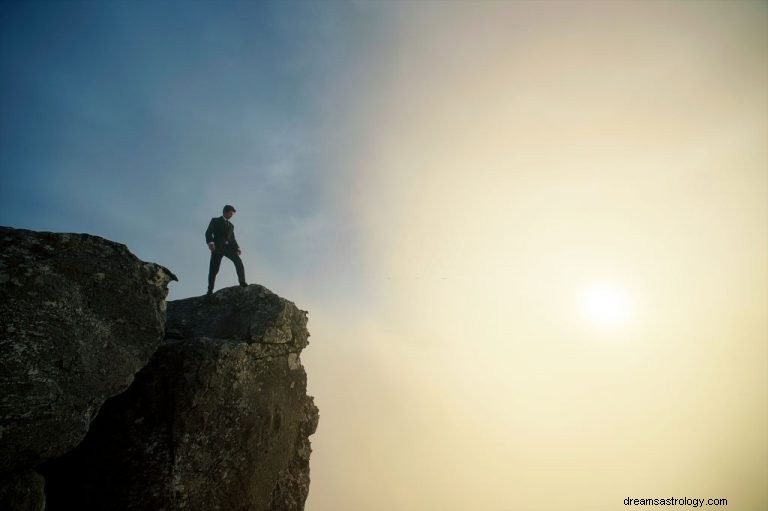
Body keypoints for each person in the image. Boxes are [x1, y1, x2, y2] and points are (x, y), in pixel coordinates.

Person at [205, 204, 247, 295]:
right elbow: (208, 232)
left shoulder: (231, 226)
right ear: (225, 212)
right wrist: (211, 243)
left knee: (238, 262)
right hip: (217, 247)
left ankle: (242, 282)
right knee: (214, 269)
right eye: (231, 213)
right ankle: (210, 290)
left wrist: (237, 248)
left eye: (232, 214)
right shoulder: (215, 220)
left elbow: (232, 239)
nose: (232, 215)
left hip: (229, 248)